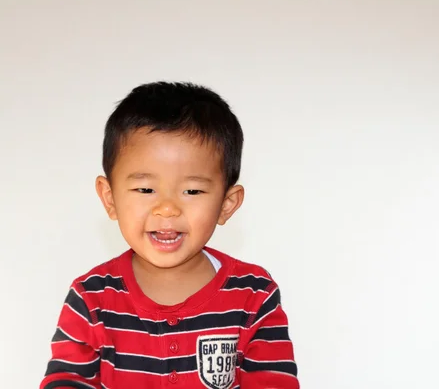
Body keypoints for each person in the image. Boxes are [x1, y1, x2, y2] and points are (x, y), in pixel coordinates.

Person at [39, 82, 299, 389]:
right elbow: (65, 380)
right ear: (110, 198)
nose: (167, 208)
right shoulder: (90, 298)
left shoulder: (255, 295)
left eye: (192, 191)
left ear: (226, 205)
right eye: (145, 189)